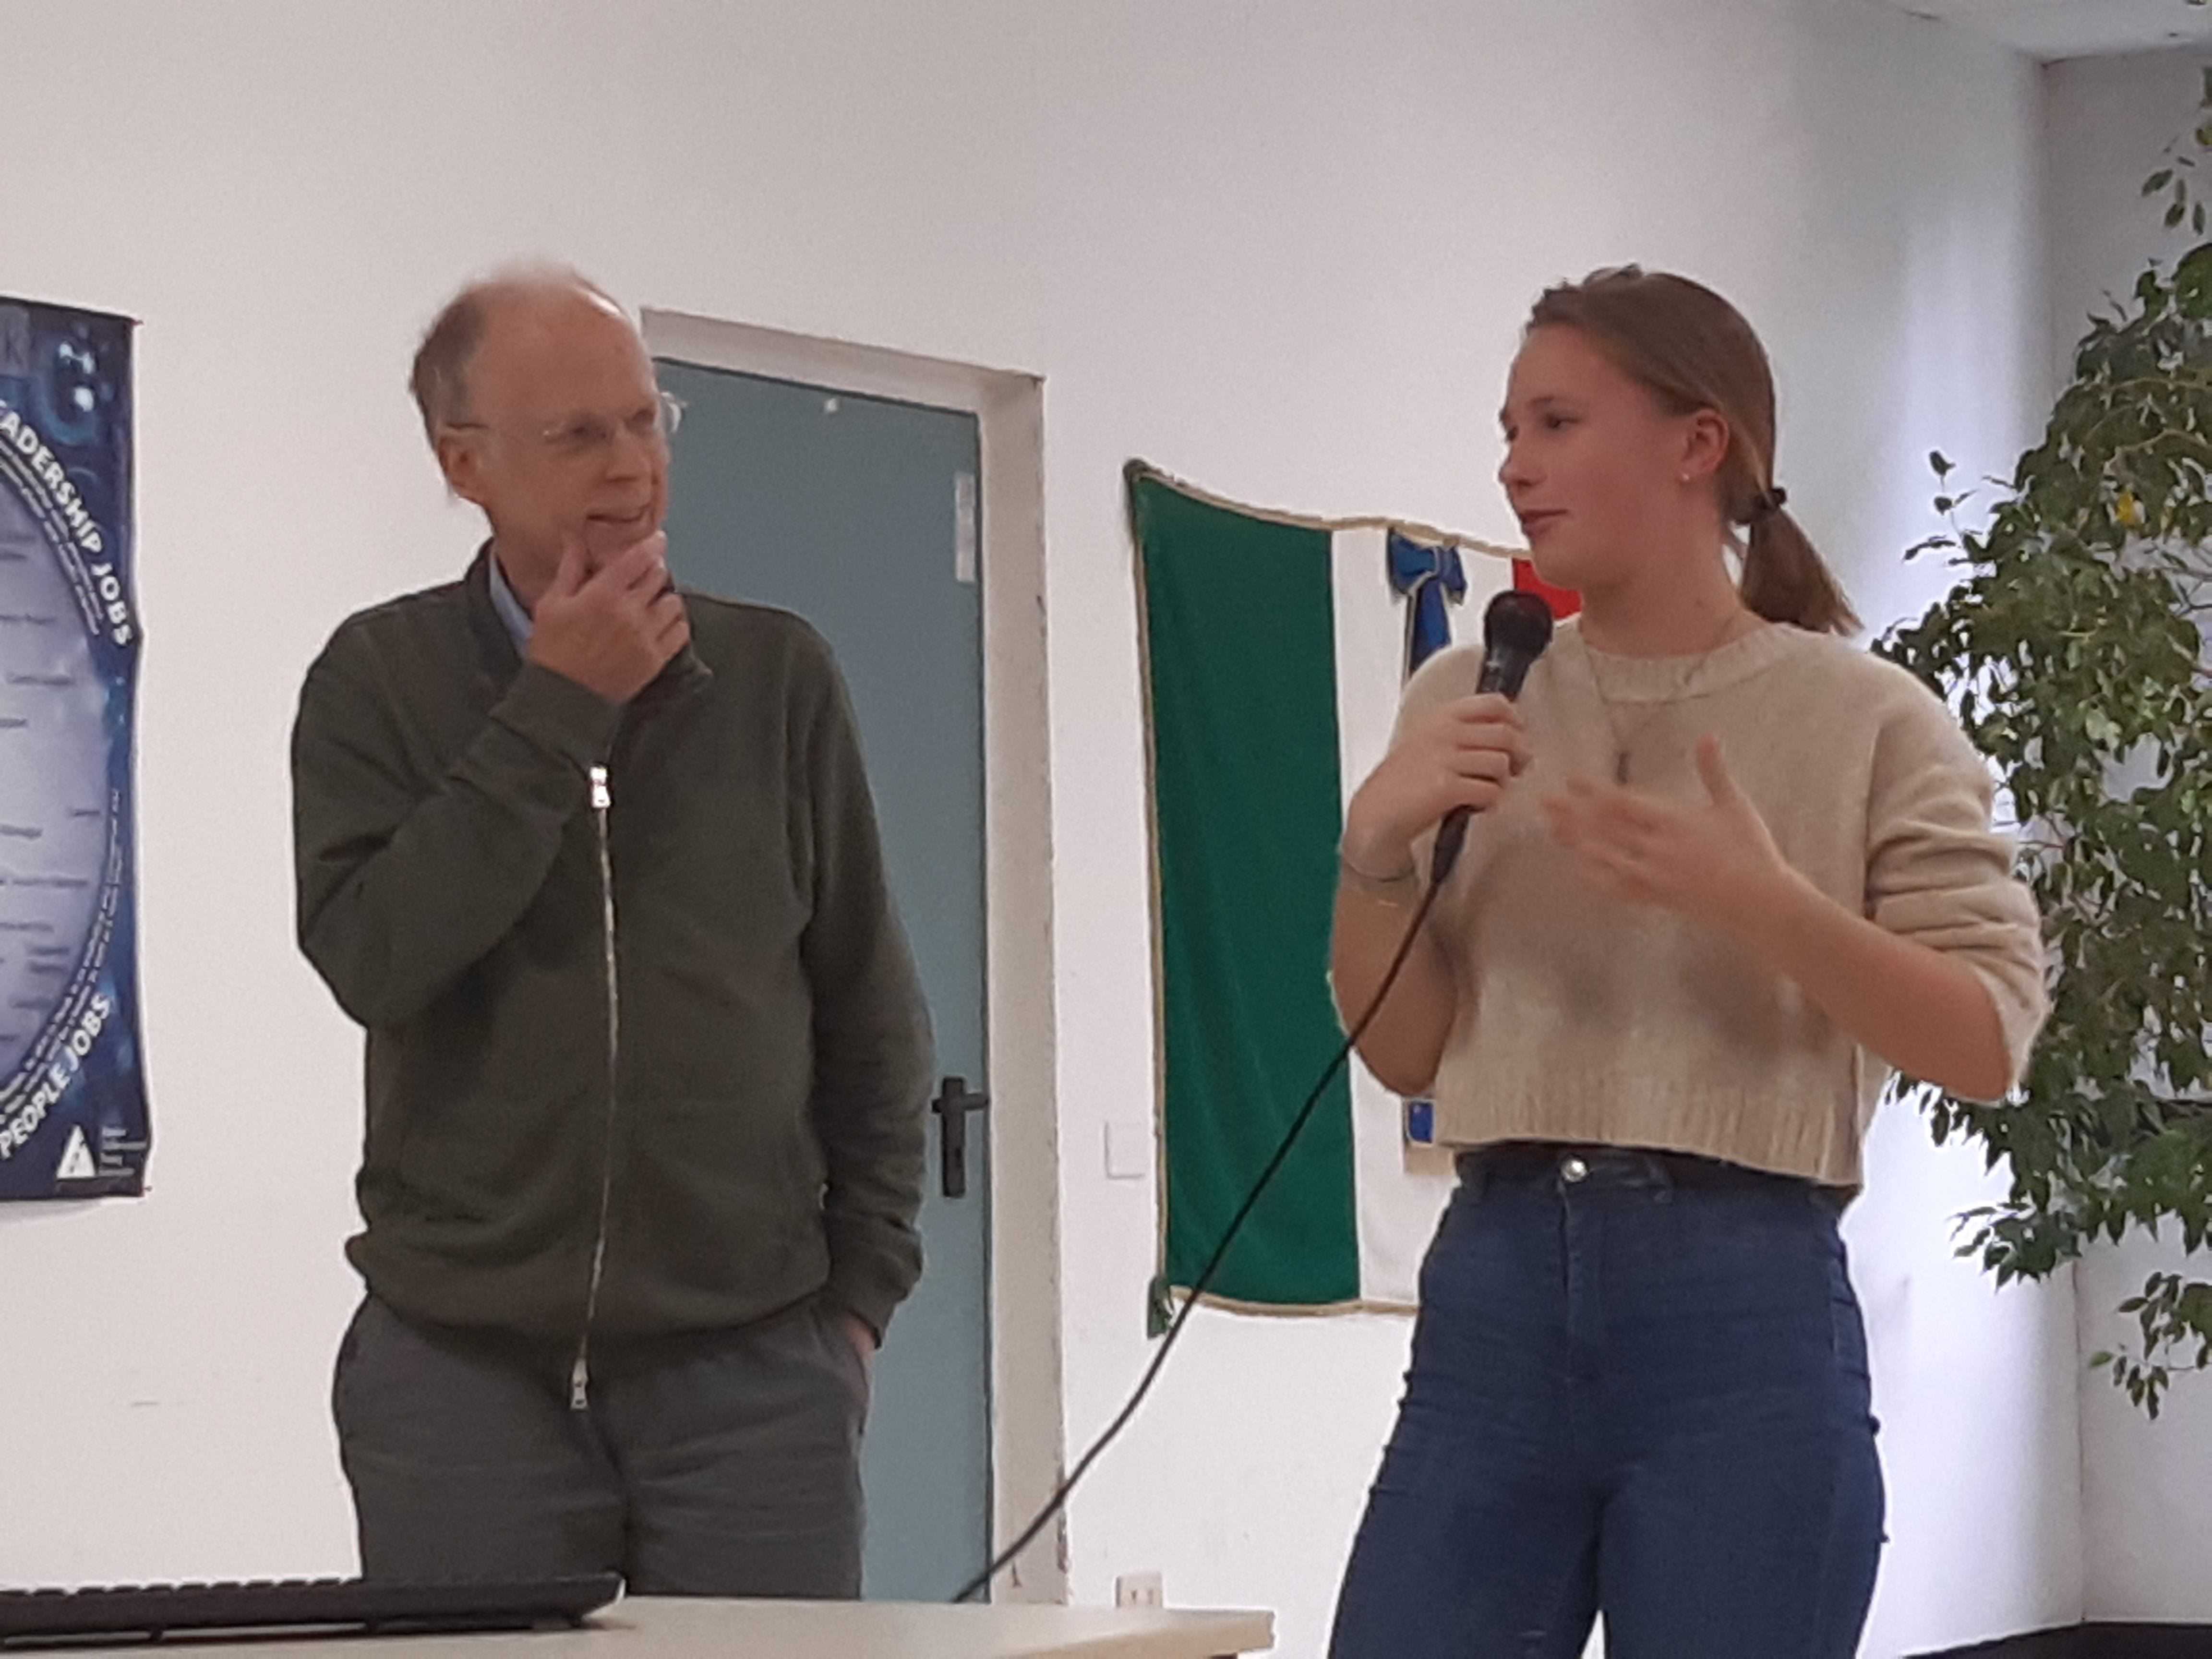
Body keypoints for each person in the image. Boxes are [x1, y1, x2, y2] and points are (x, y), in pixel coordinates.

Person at [1324, 266, 2048, 1657]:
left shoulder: (1869, 717)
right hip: (1495, 1294)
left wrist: (1762, 906)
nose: (1515, 466)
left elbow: (1984, 1041)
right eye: (1510, 430)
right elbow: (1408, 1054)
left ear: (1698, 443)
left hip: (1744, 1305)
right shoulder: (1472, 692)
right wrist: (1374, 846)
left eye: (1557, 423)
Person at [289, 266, 931, 1598]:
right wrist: (554, 712)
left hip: (755, 1380)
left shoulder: (779, 681)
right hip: (462, 1379)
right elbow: (375, 957)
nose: (631, 467)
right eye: (578, 434)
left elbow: (869, 1012)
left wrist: (856, 1308)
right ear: (463, 462)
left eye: (647, 420)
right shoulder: (378, 681)